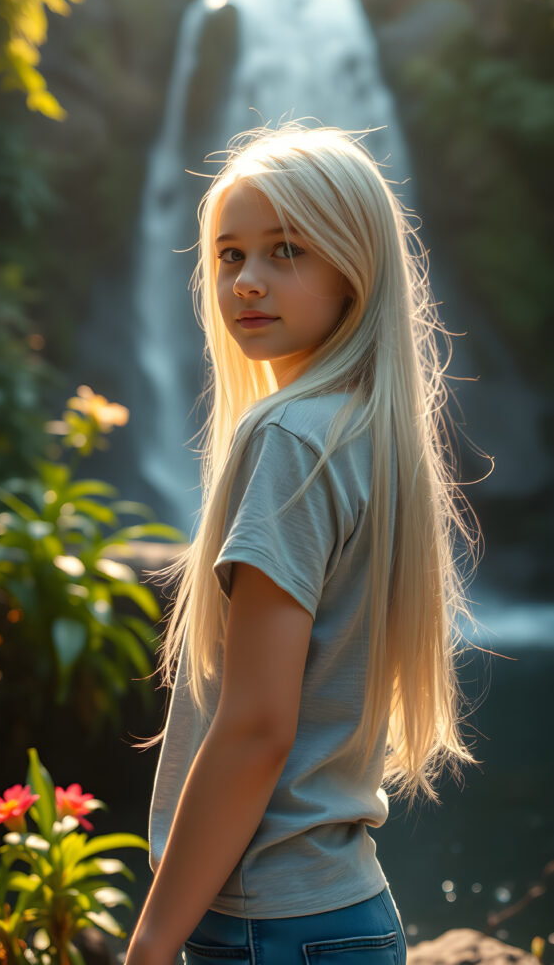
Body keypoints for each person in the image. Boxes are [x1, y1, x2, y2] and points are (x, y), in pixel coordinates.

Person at [125, 123, 482, 965]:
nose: (246, 281)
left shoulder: (289, 435)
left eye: (285, 250)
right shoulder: (369, 431)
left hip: (262, 926)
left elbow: (255, 728)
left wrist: (147, 946)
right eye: (228, 254)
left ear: (354, 269)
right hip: (351, 916)